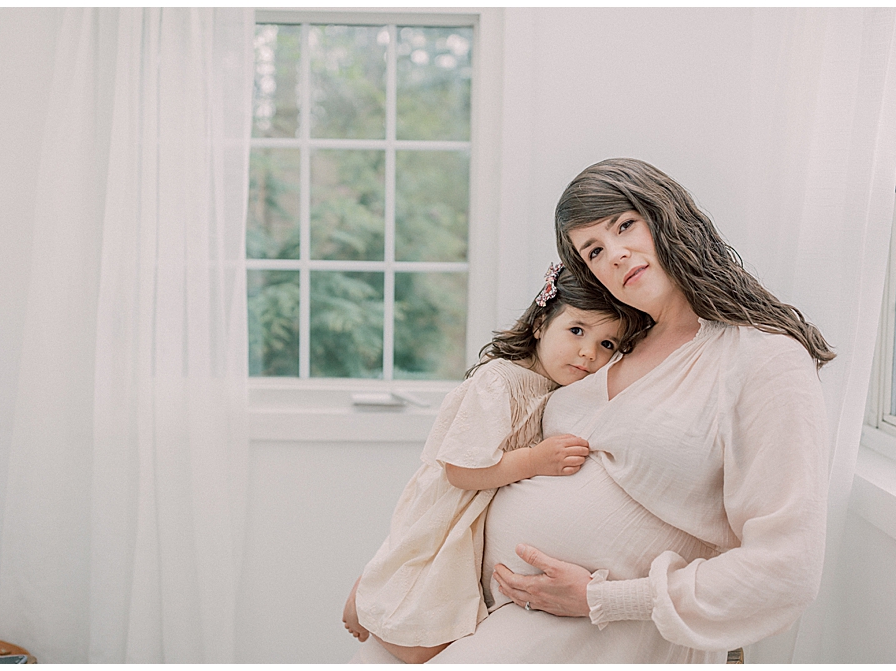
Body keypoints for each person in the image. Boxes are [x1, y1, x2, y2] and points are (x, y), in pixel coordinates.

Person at [353, 158, 833, 664]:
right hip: (481, 609)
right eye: (594, 251)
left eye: (625, 225)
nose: (616, 255)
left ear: (669, 217)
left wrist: (600, 599)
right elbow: (472, 469)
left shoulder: (761, 358)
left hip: (604, 632)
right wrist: (397, 570)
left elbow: (787, 568)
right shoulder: (611, 348)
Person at [342, 263, 634, 663]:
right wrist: (533, 461)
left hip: (476, 516)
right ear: (539, 325)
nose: (588, 352)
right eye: (577, 331)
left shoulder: (557, 389)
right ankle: (367, 596)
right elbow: (459, 470)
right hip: (450, 510)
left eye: (607, 345)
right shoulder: (499, 382)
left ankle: (375, 588)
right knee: (420, 646)